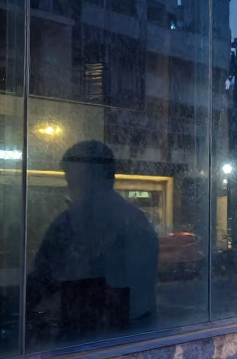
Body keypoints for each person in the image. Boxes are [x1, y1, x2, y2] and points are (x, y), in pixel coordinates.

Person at [26, 140, 158, 341]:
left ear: (86, 178)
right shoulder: (136, 219)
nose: (69, 188)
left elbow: (40, 279)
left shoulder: (71, 222)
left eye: (70, 181)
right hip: (136, 335)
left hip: (87, 338)